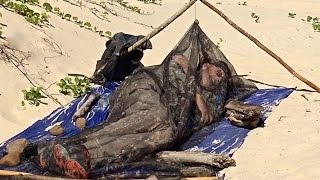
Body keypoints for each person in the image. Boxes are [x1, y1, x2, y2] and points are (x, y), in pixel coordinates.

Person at [0, 53, 237, 179]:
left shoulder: (215, 99)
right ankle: (54, 148)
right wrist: (194, 92)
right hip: (147, 87)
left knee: (163, 132)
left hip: (165, 118)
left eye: (221, 78)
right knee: (155, 116)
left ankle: (77, 154)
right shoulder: (188, 64)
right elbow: (175, 60)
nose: (218, 79)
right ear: (204, 65)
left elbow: (221, 113)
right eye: (216, 71)